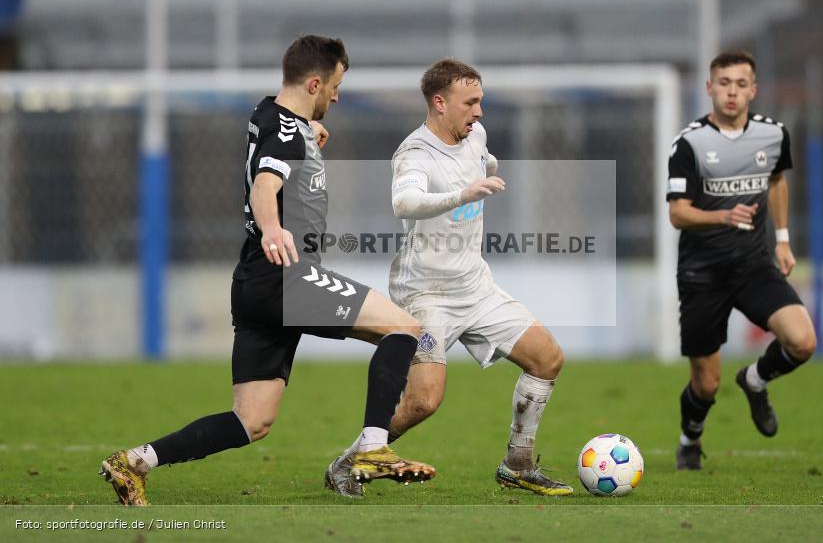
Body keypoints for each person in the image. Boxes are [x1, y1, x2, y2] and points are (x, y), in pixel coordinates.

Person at [100, 35, 435, 505]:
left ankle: (135, 462)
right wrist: (274, 228)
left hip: (256, 283)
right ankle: (373, 448)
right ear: (315, 82)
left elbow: (280, 149)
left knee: (251, 420)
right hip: (287, 277)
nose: (337, 96)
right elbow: (265, 184)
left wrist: (309, 136)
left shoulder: (273, 116)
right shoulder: (283, 128)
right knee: (403, 327)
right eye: (335, 86)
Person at [323, 58, 572, 498]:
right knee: (423, 402)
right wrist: (464, 192)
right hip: (426, 293)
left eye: (481, 101)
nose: (479, 112)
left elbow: (481, 159)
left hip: (475, 285)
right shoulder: (415, 153)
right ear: (440, 103)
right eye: (470, 102)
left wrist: (487, 170)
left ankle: (518, 463)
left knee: (548, 358)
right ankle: (347, 463)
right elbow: (405, 202)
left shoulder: (475, 135)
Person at [666, 50, 817, 470]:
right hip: (702, 273)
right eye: (724, 83)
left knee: (803, 342)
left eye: (741, 84)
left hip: (753, 265)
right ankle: (690, 439)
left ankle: (754, 379)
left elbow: (776, 182)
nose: (732, 92)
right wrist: (721, 215)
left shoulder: (773, 135)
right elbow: (677, 212)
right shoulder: (689, 143)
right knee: (706, 383)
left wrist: (782, 241)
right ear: (710, 88)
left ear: (754, 89)